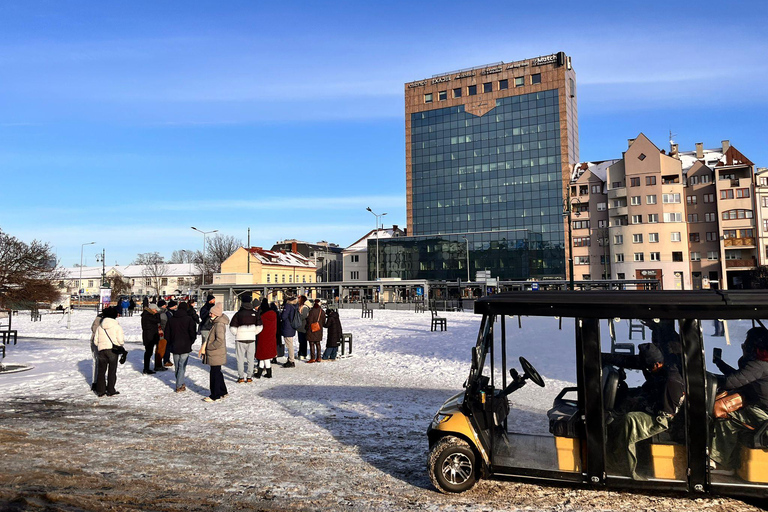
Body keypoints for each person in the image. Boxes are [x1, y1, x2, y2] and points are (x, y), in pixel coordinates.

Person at [606, 343, 685, 480]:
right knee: (624, 402)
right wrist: (601, 356)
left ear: (656, 365)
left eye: (647, 368)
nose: (646, 370)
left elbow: (668, 412)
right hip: (654, 405)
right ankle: (610, 449)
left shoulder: (671, 381)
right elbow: (628, 361)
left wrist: (643, 404)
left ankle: (624, 468)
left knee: (630, 420)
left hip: (663, 418)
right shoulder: (656, 366)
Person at [711, 327, 768, 470]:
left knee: (727, 420)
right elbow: (741, 377)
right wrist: (720, 363)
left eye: (747, 342)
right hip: (761, 409)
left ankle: (715, 461)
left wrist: (709, 378)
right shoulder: (761, 363)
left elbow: (731, 382)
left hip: (764, 414)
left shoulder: (759, 365)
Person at [229, 292, 262, 383]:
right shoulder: (255, 313)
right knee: (250, 358)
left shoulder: (238, 314)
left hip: (240, 339)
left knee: (240, 359)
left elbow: (232, 327)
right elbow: (260, 326)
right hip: (251, 339)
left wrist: (237, 333)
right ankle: (249, 377)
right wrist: (253, 333)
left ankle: (241, 377)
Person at [93, 307, 126, 397]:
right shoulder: (116, 326)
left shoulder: (100, 326)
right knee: (112, 370)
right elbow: (120, 340)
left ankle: (100, 390)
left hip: (102, 350)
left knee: (101, 371)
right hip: (112, 350)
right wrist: (119, 345)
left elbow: (95, 340)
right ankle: (110, 389)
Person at [165, 302, 198, 392]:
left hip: (174, 345)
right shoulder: (189, 319)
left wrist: (170, 342)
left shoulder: (171, 319)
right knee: (182, 365)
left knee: (177, 366)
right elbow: (193, 333)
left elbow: (167, 334)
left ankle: (180, 382)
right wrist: (191, 342)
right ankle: (179, 384)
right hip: (185, 345)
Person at [200, 303, 228, 402]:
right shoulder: (217, 322)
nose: (210, 315)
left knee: (214, 374)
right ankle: (222, 391)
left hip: (216, 352)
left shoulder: (219, 324)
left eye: (211, 313)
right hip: (217, 353)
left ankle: (215, 395)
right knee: (217, 372)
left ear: (216, 313)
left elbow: (219, 340)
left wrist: (209, 347)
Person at [255, 298, 277, 378]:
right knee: (265, 356)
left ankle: (266, 372)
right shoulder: (273, 315)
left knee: (263, 355)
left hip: (262, 337)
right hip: (271, 337)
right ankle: (262, 373)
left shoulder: (262, 317)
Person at [141, 303, 161, 374]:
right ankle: (146, 368)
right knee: (148, 352)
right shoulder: (147, 316)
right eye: (155, 310)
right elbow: (158, 320)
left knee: (149, 352)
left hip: (150, 335)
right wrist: (157, 314)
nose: (156, 312)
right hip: (149, 337)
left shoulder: (148, 315)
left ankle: (146, 368)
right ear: (152, 309)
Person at [280, 296, 299, 368]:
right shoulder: (295, 306)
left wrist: (280, 314)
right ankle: (290, 359)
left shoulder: (288, 306)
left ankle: (291, 360)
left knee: (289, 344)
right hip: (292, 327)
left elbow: (284, 316)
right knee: (290, 343)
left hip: (287, 327)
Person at [306, 299, 326, 363]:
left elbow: (309, 321)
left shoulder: (311, 311)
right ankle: (319, 357)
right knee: (318, 343)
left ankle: (313, 358)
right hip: (319, 329)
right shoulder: (322, 311)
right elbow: (323, 321)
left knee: (311, 343)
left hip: (312, 329)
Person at [89, 310, 105, 390]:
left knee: (95, 362)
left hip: (93, 341)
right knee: (102, 363)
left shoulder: (97, 319)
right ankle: (100, 382)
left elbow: (92, 328)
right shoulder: (105, 321)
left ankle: (94, 382)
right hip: (101, 343)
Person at [296, 295, 310, 360]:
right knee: (300, 341)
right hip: (300, 327)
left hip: (303, 326)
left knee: (303, 341)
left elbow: (304, 316)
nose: (298, 299)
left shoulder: (304, 308)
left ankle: (303, 354)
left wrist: (298, 317)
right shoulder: (300, 307)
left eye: (299, 298)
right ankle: (300, 353)